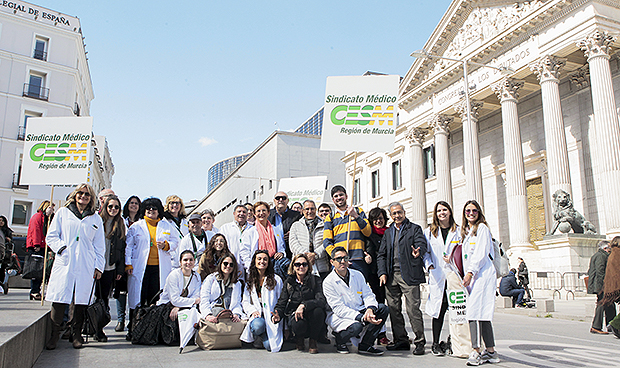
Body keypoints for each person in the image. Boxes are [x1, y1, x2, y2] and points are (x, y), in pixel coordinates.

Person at [44, 184, 105, 350]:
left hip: (86, 263)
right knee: (60, 298)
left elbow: (99, 246)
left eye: (87, 194)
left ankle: (76, 333)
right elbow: (51, 236)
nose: (83, 196)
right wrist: (62, 248)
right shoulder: (63, 213)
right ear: (75, 194)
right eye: (80, 193)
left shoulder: (95, 218)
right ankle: (54, 334)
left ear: (91, 198)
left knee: (81, 300)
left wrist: (99, 267)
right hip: (66, 261)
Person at [125, 197, 179, 340]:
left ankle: (153, 330)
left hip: (159, 269)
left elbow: (176, 241)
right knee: (137, 299)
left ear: (159, 211)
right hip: (140, 268)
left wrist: (167, 245)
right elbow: (128, 247)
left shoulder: (167, 226)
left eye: (154, 208)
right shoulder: (136, 226)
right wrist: (128, 264)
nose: (151, 210)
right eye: (148, 208)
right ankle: (133, 329)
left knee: (155, 299)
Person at [377, 202, 427, 355]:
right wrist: (382, 273)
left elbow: (421, 244)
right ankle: (401, 340)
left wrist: (418, 251)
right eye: (394, 214)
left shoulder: (414, 229)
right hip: (391, 276)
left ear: (404, 213)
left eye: (399, 213)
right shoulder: (388, 232)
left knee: (413, 309)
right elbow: (382, 255)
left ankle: (419, 341)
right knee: (394, 310)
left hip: (409, 275)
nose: (397, 216)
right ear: (390, 216)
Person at [324, 246, 389, 356]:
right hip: (340, 316)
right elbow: (339, 308)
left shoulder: (357, 275)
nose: (343, 261)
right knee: (356, 326)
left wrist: (370, 309)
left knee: (383, 309)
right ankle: (340, 340)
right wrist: (361, 318)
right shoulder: (328, 282)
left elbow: (368, 294)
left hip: (359, 309)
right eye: (339, 259)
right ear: (332, 262)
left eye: (345, 258)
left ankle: (366, 345)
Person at [460, 200, 499, 366]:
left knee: (473, 313)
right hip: (475, 276)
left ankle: (476, 350)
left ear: (479, 212)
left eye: (474, 211)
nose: (471, 213)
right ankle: (491, 351)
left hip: (482, 275)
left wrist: (470, 273)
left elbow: (481, 254)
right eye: (468, 211)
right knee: (482, 314)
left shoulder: (482, 228)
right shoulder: (468, 232)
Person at [424, 201, 460, 356]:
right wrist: (429, 265)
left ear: (450, 212)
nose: (442, 213)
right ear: (435, 214)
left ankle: (454, 341)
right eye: (439, 210)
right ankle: (436, 343)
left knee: (456, 311)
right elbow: (425, 252)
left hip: (455, 277)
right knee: (439, 311)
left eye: (444, 210)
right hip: (438, 276)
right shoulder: (429, 232)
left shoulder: (459, 231)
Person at [274, 253, 327, 354]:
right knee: (298, 323)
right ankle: (299, 338)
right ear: (293, 266)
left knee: (319, 312)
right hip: (295, 315)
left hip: (311, 313)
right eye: (297, 264)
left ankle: (313, 340)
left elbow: (321, 300)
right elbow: (282, 302)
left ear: (308, 266)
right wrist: (278, 314)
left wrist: (304, 305)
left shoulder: (315, 280)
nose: (301, 267)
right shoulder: (289, 282)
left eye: (304, 264)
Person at [323, 185, 372, 281]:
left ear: (346, 196)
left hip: (358, 260)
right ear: (333, 200)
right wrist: (337, 257)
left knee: (359, 289)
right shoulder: (330, 217)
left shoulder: (358, 211)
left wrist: (355, 216)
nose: (339, 198)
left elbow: (368, 232)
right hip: (340, 262)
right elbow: (326, 241)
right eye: (336, 196)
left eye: (341, 195)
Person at [96, 195, 127, 342]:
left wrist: (119, 270)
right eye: (110, 206)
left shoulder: (120, 223)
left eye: (116, 207)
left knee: (103, 300)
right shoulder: (97, 220)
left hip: (109, 267)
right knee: (91, 298)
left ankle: (99, 329)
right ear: (105, 207)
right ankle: (85, 327)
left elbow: (121, 248)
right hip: (94, 266)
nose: (113, 209)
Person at [241, 250, 283, 352]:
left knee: (270, 346)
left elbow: (281, 301)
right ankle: (258, 335)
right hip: (258, 317)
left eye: (265, 259)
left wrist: (283, 325)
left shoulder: (276, 279)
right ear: (254, 262)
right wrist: (252, 311)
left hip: (271, 316)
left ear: (269, 262)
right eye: (259, 259)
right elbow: (245, 301)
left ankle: (262, 338)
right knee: (258, 326)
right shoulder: (250, 280)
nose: (262, 261)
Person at [241, 201, 287, 279]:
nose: (261, 213)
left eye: (264, 210)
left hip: (274, 263)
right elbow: (244, 251)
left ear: (268, 213)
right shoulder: (250, 232)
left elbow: (281, 246)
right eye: (258, 211)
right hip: (259, 265)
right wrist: (250, 267)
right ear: (254, 214)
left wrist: (281, 253)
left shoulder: (275, 229)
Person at [365, 206, 391, 346]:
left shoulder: (390, 232)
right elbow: (367, 249)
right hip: (375, 274)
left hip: (390, 272)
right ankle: (381, 334)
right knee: (380, 304)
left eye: (380, 218)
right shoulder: (369, 235)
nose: (378, 221)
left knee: (392, 305)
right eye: (375, 219)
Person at [157, 250, 201, 326]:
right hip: (167, 306)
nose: (188, 262)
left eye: (191, 260)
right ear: (180, 262)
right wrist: (192, 301)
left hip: (186, 307)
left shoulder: (196, 276)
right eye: (185, 260)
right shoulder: (174, 275)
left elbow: (196, 296)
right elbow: (174, 299)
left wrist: (179, 306)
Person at [116, 195, 140, 331]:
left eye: (136, 203)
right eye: (131, 203)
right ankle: (121, 320)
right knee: (121, 290)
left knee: (134, 291)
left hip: (136, 261)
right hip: (122, 259)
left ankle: (133, 320)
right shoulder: (121, 221)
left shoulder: (142, 222)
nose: (134, 205)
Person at [289, 200, 329, 279]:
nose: (310, 211)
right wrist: (306, 255)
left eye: (312, 209)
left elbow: (327, 242)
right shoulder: (296, 225)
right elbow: (293, 243)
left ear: (316, 210)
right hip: (301, 267)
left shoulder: (325, 225)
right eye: (307, 209)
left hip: (321, 266)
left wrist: (315, 254)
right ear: (303, 211)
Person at [200, 253, 243, 322]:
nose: (228, 266)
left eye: (231, 265)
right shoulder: (211, 278)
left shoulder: (236, 283)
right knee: (219, 311)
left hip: (229, 313)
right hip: (213, 311)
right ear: (220, 264)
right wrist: (207, 315)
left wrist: (236, 314)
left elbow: (237, 303)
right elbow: (204, 299)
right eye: (225, 263)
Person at [25, 200, 54, 301]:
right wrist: (36, 244)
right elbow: (36, 231)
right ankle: (34, 290)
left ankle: (36, 290)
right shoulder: (37, 217)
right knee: (36, 269)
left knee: (41, 269)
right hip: (37, 246)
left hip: (43, 245)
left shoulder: (46, 218)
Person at [588, 240, 615, 334]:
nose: (610, 250)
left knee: (610, 304)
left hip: (600, 285)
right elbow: (600, 272)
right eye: (609, 248)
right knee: (602, 304)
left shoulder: (599, 255)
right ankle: (596, 326)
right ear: (605, 248)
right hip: (601, 285)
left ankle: (611, 325)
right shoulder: (601, 256)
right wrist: (604, 286)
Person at [268, 191, 302, 258]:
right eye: (278, 198)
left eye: (283, 198)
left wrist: (293, 233)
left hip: (290, 251)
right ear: (274, 201)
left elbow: (302, 230)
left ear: (287, 201)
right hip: (272, 252)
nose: (280, 200)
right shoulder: (268, 214)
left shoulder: (296, 215)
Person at [600, 236, 620, 338]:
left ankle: (615, 325)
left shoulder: (613, 253)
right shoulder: (617, 253)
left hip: (613, 285)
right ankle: (615, 324)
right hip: (617, 285)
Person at [164, 195, 189, 267]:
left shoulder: (184, 221)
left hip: (184, 255)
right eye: (172, 203)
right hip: (171, 256)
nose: (175, 205)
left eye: (177, 203)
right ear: (168, 205)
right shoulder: (164, 221)